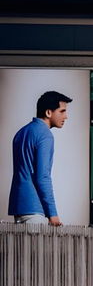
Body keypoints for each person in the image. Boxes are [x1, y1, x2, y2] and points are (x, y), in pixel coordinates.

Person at [8, 91, 71, 226]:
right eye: (62, 111)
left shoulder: (21, 133)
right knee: (37, 248)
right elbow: (42, 177)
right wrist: (52, 213)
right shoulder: (45, 135)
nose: (66, 116)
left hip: (18, 207)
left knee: (20, 248)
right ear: (49, 112)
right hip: (34, 209)